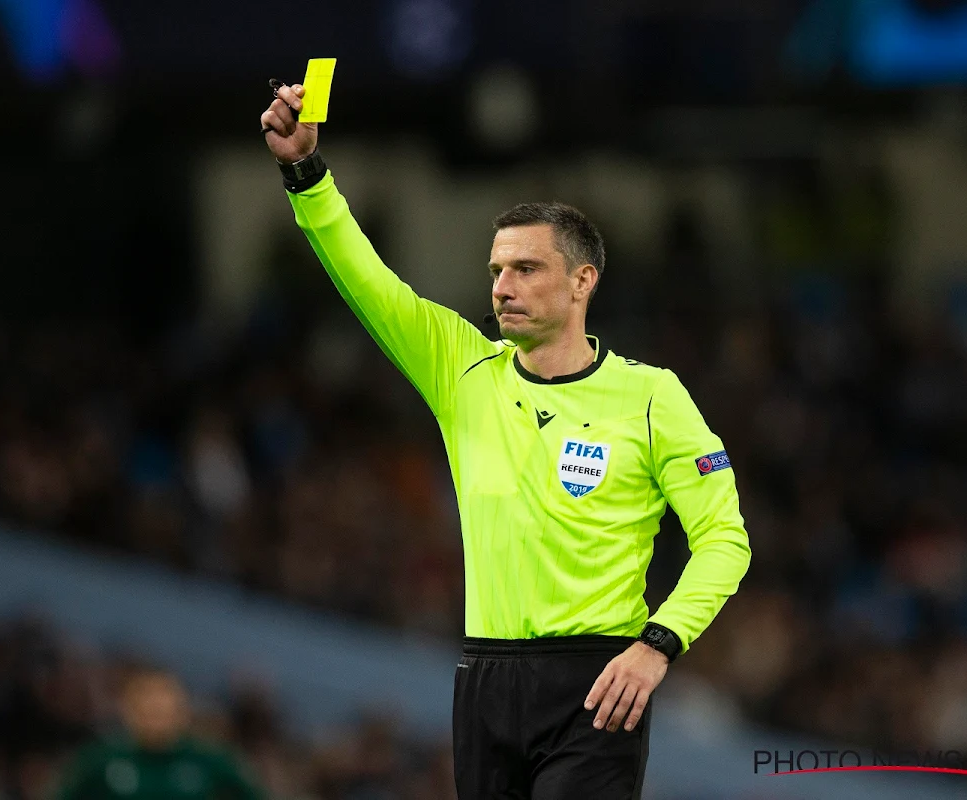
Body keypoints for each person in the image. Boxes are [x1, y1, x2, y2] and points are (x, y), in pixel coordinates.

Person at [260, 82, 751, 800]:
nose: (502, 287)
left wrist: (658, 644)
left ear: (583, 280)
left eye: (526, 269)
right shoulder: (462, 369)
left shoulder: (653, 396)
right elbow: (366, 280)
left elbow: (725, 538)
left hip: (598, 680)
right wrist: (306, 174)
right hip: (484, 679)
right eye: (496, 271)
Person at [54, 667, 263, 800]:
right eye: (149, 711)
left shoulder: (208, 760)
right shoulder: (102, 760)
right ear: (130, 712)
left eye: (165, 712)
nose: (157, 721)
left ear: (182, 714)